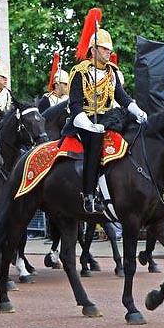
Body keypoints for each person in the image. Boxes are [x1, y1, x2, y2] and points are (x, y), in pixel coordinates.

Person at [63, 25, 147, 214]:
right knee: (95, 142)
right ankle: (89, 195)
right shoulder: (80, 72)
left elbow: (122, 98)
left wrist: (138, 111)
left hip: (108, 118)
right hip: (83, 119)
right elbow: (75, 104)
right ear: (93, 50)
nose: (108, 53)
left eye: (109, 49)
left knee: (134, 131)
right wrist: (89, 125)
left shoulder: (112, 72)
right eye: (104, 49)